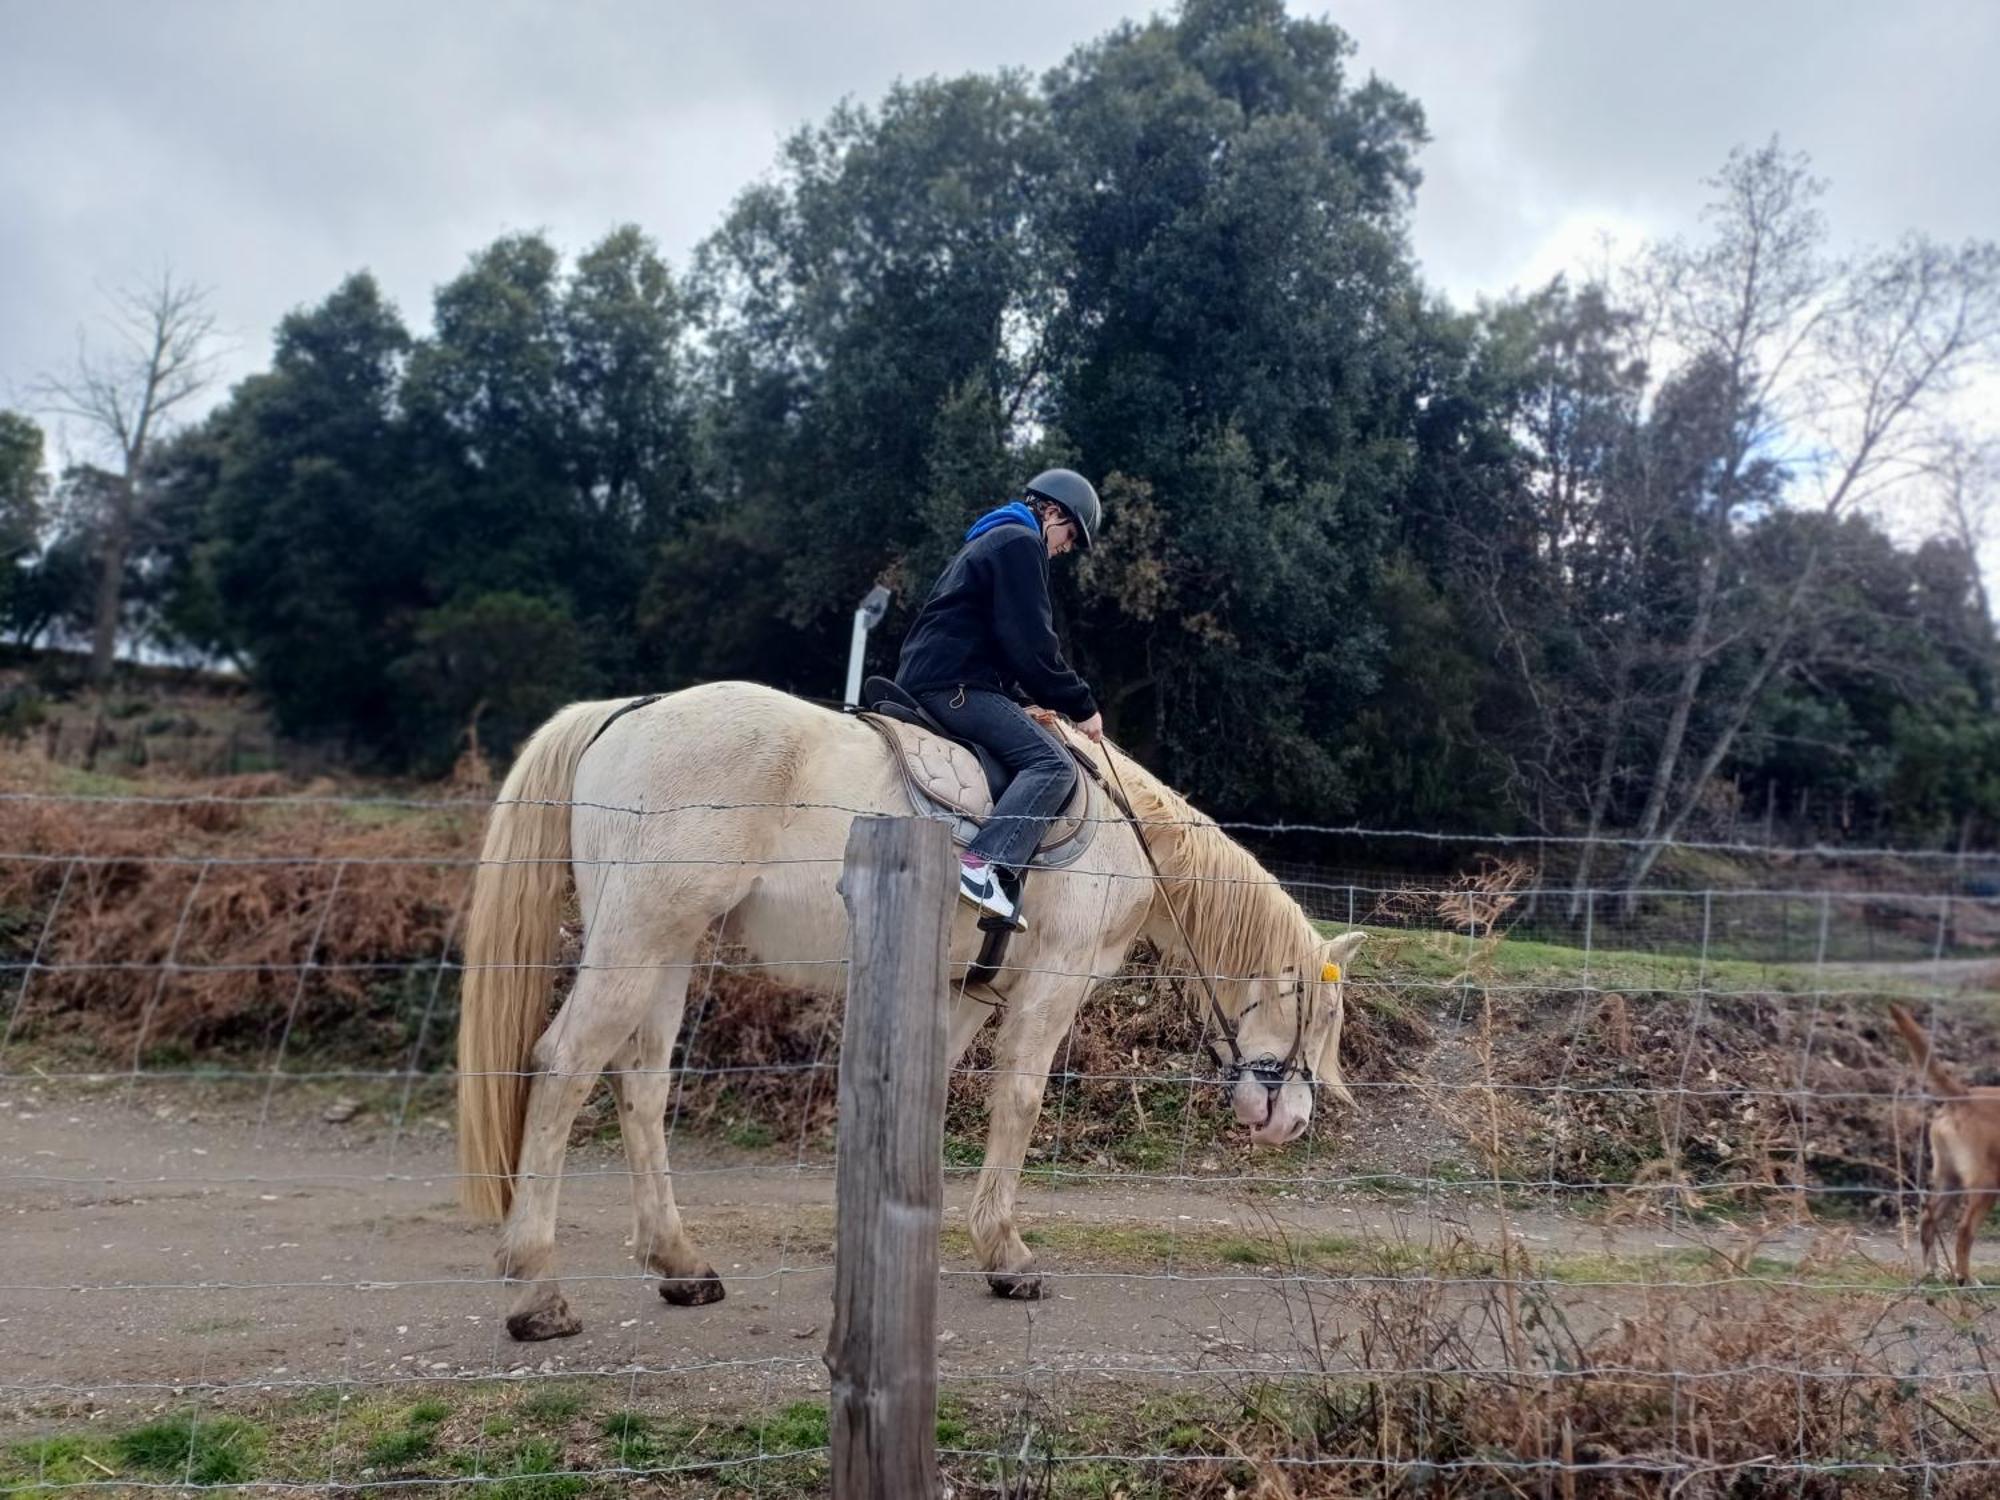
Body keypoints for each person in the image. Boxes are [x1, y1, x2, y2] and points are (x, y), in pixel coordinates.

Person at [894, 469, 1105, 930]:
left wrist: (1015, 700)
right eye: (1070, 535)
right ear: (1052, 512)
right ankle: (983, 867)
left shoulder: (991, 539)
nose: (1066, 547)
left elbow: (991, 637)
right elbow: (1031, 644)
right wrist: (1082, 704)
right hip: (954, 686)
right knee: (1054, 766)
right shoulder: (1020, 544)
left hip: (946, 677)